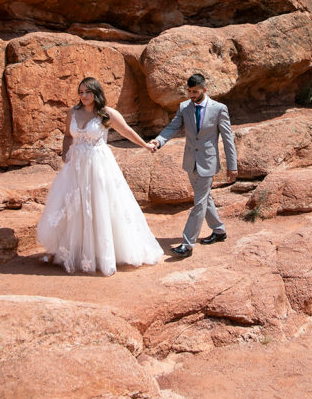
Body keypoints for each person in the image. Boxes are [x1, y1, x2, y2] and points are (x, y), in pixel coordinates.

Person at [36, 77, 162, 276]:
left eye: (88, 92)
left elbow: (126, 130)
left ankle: (104, 253)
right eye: (81, 92)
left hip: (98, 165)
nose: (84, 96)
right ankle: (74, 251)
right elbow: (68, 135)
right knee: (74, 207)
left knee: (101, 204)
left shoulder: (107, 113)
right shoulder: (73, 112)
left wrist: (145, 145)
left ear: (96, 93)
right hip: (76, 166)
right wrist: (66, 154)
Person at [151, 73, 237, 258]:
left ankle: (187, 244)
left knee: (199, 202)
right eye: (189, 91)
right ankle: (219, 231)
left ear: (204, 89)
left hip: (208, 162)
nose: (191, 95)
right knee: (205, 198)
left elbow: (228, 139)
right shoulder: (184, 107)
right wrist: (159, 141)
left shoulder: (219, 109)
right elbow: (173, 127)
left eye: (195, 91)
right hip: (191, 161)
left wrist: (233, 166)